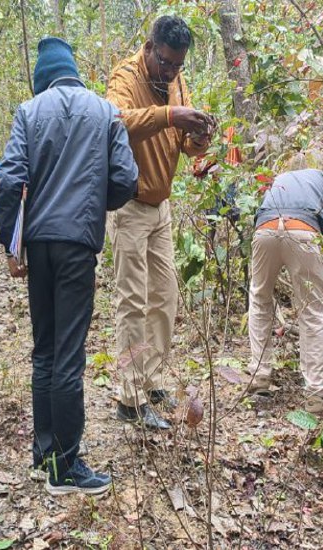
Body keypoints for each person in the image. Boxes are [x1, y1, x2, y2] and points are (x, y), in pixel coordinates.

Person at [0, 37, 137, 495]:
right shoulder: (104, 113)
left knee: (45, 349)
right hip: (78, 244)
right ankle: (66, 468)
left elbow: (10, 178)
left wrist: (11, 244)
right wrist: (95, 205)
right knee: (68, 355)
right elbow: (126, 180)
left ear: (44, 77)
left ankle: (45, 453)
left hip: (38, 244)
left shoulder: (28, 112)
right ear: (74, 70)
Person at [106, 15, 215, 429]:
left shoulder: (175, 82)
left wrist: (198, 137)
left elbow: (184, 146)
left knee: (165, 299)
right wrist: (172, 115)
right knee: (132, 300)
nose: (171, 72)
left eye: (178, 65)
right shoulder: (126, 75)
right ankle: (129, 399)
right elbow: (116, 122)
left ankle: (149, 380)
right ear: (149, 48)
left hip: (160, 208)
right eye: (166, 62)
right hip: (128, 205)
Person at [246, 154, 323, 413]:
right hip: (304, 229)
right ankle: (315, 392)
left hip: (265, 228)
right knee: (312, 311)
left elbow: (261, 211)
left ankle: (259, 376)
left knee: (260, 301)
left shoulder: (279, 178)